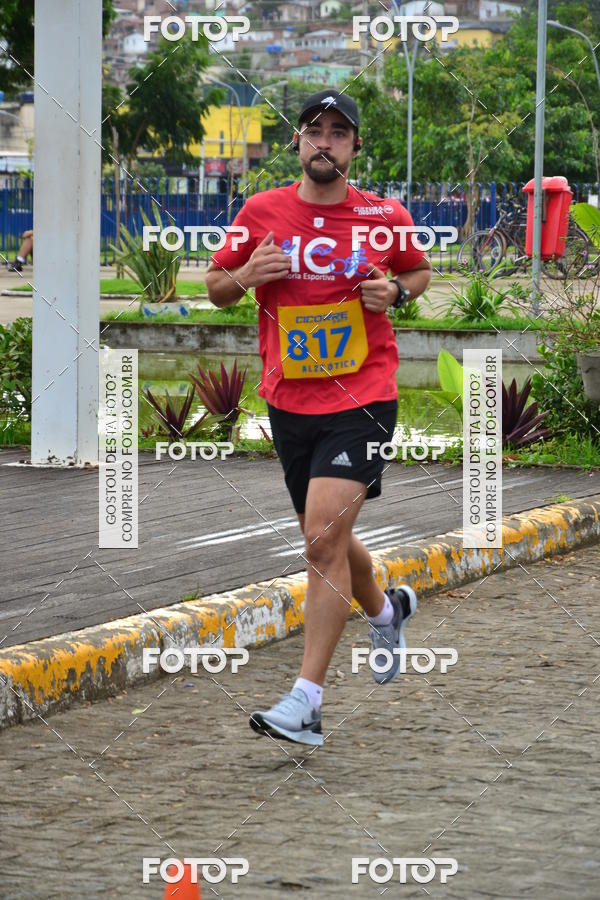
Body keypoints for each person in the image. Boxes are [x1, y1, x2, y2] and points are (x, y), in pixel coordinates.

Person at [206, 90, 432, 747]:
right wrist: (249, 273)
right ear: (298, 143)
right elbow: (215, 287)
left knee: (319, 542)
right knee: (326, 537)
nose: (325, 141)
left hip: (363, 397)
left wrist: (395, 292)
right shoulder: (262, 211)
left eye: (339, 132)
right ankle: (388, 610)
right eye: (314, 130)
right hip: (290, 401)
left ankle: (306, 703)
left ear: (355, 146)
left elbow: (418, 273)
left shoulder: (382, 215)